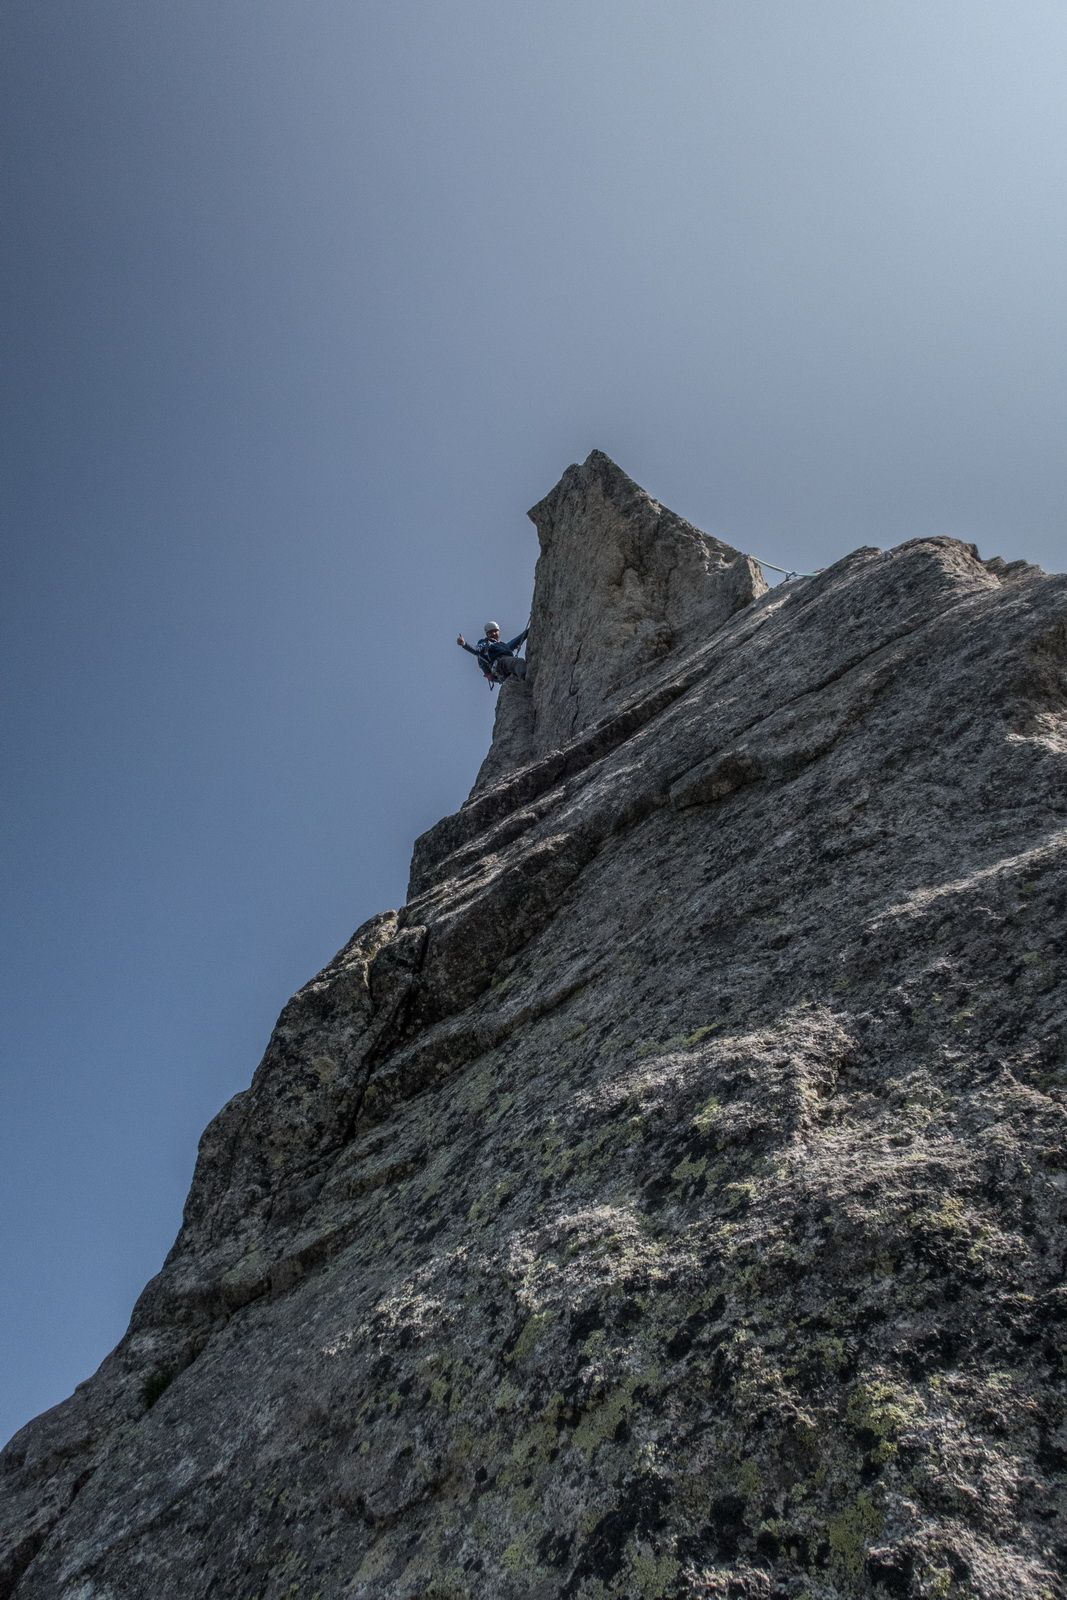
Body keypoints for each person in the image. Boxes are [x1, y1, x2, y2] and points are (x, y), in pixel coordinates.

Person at [457, 620, 529, 685]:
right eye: (490, 632)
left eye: (495, 631)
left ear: (499, 631)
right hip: (501, 663)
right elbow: (476, 650)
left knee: (518, 663)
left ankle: (522, 679)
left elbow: (518, 640)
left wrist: (528, 631)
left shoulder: (503, 646)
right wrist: (464, 644)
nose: (494, 633)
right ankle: (527, 681)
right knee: (518, 662)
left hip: (504, 665)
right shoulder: (486, 643)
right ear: (487, 634)